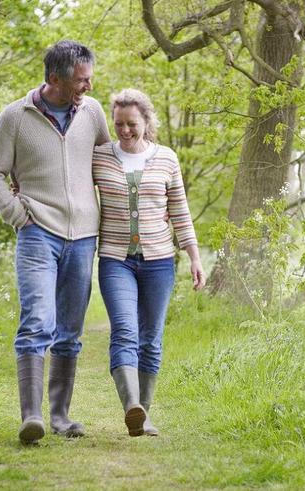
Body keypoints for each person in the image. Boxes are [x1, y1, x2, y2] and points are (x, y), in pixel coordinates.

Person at [0, 40, 110, 444]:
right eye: (80, 80)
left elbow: (108, 161)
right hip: (37, 233)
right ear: (55, 78)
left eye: (89, 78)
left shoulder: (93, 112)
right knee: (37, 320)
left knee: (69, 330)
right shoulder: (15, 117)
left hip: (83, 236)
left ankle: (61, 417)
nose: (88, 86)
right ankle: (31, 416)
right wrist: (18, 215)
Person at [92, 88, 206, 437]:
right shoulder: (99, 157)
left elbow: (180, 212)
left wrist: (194, 256)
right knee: (125, 331)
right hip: (116, 260)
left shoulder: (167, 159)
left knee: (151, 339)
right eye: (119, 124)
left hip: (159, 262)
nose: (125, 131)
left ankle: (145, 415)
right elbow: (66, 182)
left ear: (147, 122)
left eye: (132, 124)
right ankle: (132, 406)